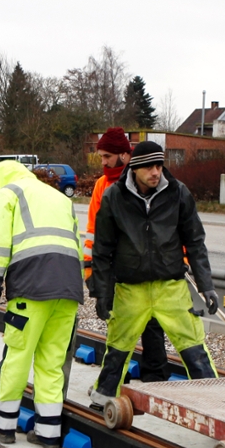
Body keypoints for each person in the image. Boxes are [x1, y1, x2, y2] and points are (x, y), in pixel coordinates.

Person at [90, 140, 219, 405]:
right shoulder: (114, 197)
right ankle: (102, 400)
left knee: (194, 347)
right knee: (117, 348)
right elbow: (102, 250)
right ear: (134, 169)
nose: (155, 172)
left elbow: (195, 241)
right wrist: (101, 293)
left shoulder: (178, 193)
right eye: (149, 167)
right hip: (130, 290)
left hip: (170, 288)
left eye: (159, 165)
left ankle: (219, 404)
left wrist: (207, 286)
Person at [0, 159, 83, 448]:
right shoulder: (58, 196)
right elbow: (75, 242)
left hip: (31, 287)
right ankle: (48, 432)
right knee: (52, 361)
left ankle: (2, 424)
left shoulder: (6, 194)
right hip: (69, 288)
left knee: (18, 354)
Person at [84, 128, 169, 384]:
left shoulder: (146, 180)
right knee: (121, 327)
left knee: (152, 326)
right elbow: (93, 234)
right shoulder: (102, 185)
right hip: (118, 270)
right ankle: (115, 383)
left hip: (149, 268)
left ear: (124, 155)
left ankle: (155, 380)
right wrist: (92, 275)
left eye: (107, 156)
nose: (103, 162)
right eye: (101, 156)